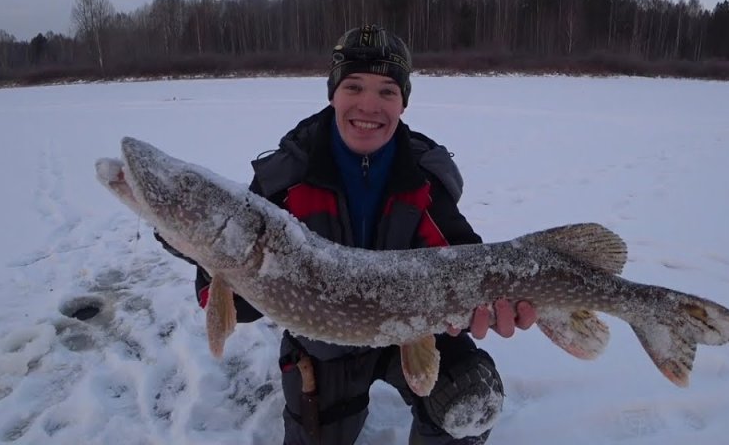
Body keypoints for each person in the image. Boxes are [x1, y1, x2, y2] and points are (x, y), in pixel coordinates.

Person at [158, 24, 535, 444]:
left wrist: (496, 303)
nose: (369, 105)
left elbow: (463, 261)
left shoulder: (423, 175)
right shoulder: (286, 178)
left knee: (469, 396)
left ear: (403, 103)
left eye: (387, 91)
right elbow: (238, 308)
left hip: (412, 331)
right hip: (325, 344)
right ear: (333, 93)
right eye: (354, 86)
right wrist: (197, 249)